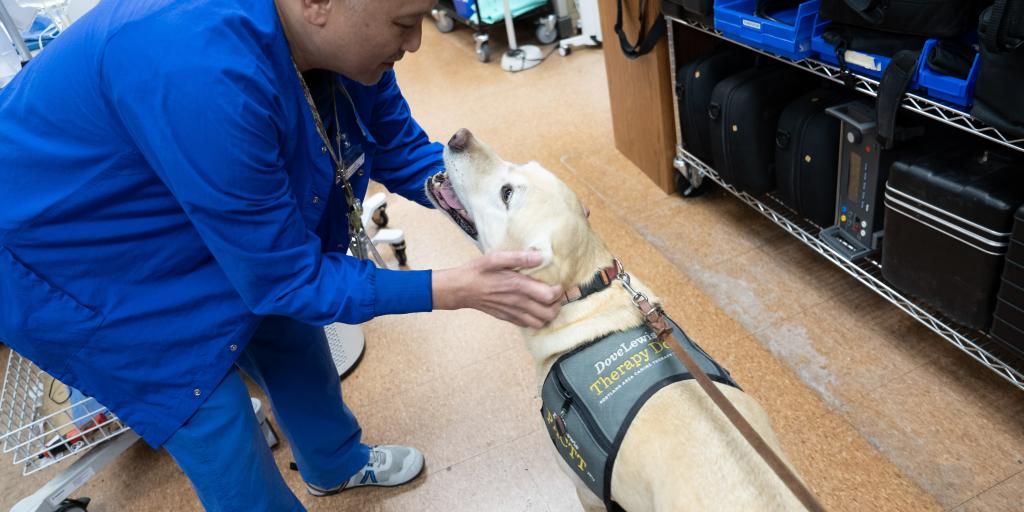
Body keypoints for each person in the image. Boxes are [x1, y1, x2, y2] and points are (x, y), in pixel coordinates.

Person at [0, 0, 564, 510]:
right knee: (207, 404)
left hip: (170, 187)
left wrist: (494, 203)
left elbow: (395, 142)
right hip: (59, 245)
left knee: (284, 325)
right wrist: (453, 288)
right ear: (317, 4)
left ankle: (335, 463)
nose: (416, 41)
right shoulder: (204, 71)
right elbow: (289, 277)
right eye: (402, 23)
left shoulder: (342, 46)